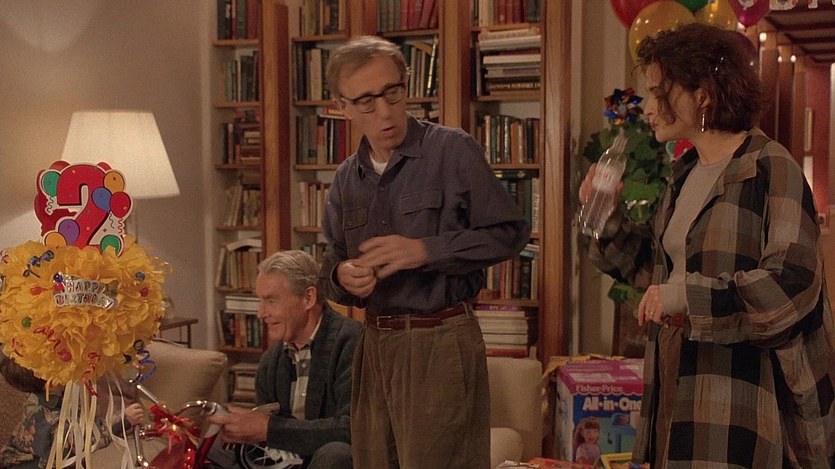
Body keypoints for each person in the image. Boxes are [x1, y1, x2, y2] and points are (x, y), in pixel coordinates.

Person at [579, 23, 835, 468]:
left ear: (702, 95)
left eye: (659, 93)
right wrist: (605, 216)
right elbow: (655, 274)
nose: (649, 109)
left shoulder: (771, 167)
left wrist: (685, 297)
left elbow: (792, 287)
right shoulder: (684, 173)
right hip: (676, 373)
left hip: (740, 391)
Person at [320, 35, 531, 468]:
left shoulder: (452, 149)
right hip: (374, 343)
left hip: (440, 340)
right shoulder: (346, 178)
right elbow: (330, 266)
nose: (384, 112)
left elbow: (510, 233)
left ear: (407, 85)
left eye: (393, 93)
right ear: (342, 108)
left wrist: (426, 251)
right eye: (366, 102)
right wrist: (342, 276)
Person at [207, 250, 361, 469]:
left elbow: (352, 430)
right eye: (260, 301)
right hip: (287, 462)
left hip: (335, 461)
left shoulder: (352, 343)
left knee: (335, 454)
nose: (261, 313)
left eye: (271, 301)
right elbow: (268, 446)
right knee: (214, 447)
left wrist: (268, 428)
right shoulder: (271, 361)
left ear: (308, 298)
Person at [0, 353, 144, 469]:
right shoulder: (44, 419)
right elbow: (79, 442)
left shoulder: (51, 394)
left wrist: (122, 358)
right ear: (51, 383)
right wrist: (123, 420)